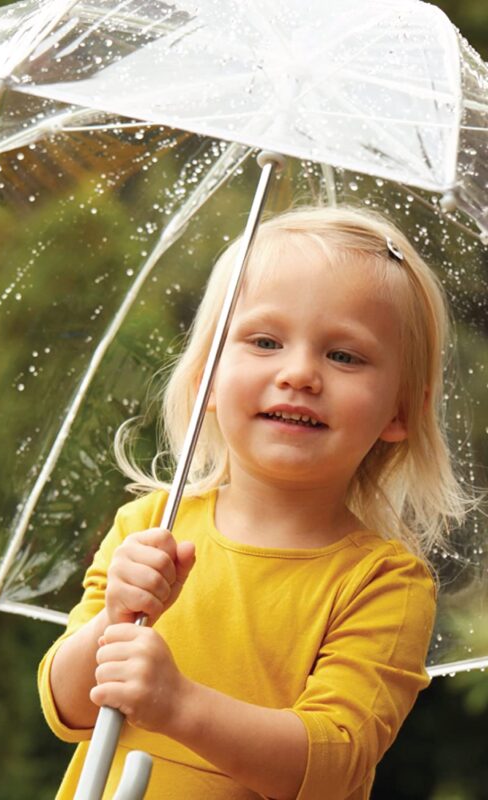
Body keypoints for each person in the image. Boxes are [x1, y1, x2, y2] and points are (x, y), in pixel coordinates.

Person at [38, 206, 474, 799]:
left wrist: (179, 704)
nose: (299, 373)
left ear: (400, 411)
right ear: (205, 381)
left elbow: (334, 762)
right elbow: (64, 704)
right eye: (265, 341)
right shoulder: (149, 526)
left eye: (344, 355)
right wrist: (113, 621)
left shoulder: (383, 585)